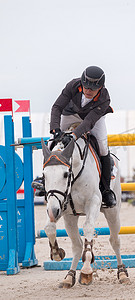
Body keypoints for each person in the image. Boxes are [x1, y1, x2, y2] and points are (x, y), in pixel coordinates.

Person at [32, 66, 116, 208]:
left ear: (100, 88)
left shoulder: (104, 98)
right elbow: (57, 107)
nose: (88, 91)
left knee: (102, 147)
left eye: (93, 89)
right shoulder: (73, 85)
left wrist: (74, 136)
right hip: (70, 114)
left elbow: (89, 122)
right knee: (52, 144)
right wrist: (55, 130)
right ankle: (44, 180)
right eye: (86, 87)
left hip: (94, 119)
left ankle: (106, 189)